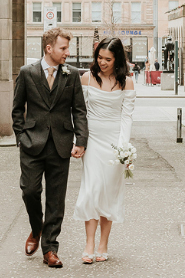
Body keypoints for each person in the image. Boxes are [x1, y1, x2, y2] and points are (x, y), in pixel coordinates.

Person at [12, 27, 88, 268]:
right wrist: (21, 136)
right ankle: (37, 228)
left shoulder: (72, 74)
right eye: (63, 48)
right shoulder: (27, 73)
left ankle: (50, 249)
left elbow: (79, 110)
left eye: (67, 48)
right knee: (30, 191)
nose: (67, 52)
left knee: (56, 199)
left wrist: (81, 140)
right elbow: (17, 109)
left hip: (61, 144)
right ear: (49, 48)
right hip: (31, 143)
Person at [73, 36, 136, 264]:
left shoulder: (127, 82)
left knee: (108, 193)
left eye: (107, 59)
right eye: (99, 57)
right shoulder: (87, 78)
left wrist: (123, 148)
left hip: (114, 143)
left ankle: (103, 244)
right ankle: (89, 243)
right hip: (93, 141)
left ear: (117, 59)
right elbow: (80, 113)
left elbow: (126, 117)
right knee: (91, 190)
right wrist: (79, 141)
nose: (102, 62)